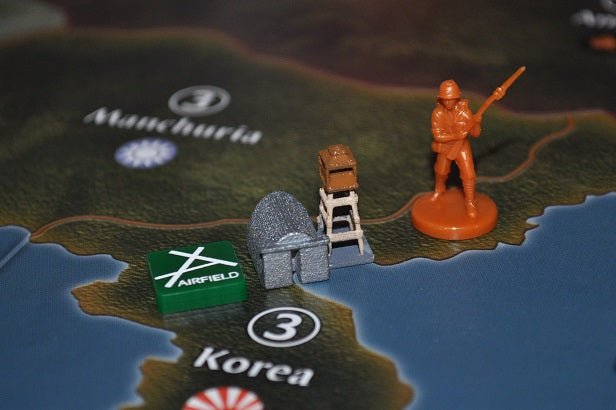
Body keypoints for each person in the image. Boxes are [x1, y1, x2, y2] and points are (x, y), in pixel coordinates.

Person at [430, 80, 482, 217]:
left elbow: (475, 134)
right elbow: (438, 136)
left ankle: (470, 202)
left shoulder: (465, 112)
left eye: (452, 99)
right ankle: (439, 190)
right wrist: (456, 136)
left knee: (469, 175)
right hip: (445, 146)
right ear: (441, 99)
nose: (448, 102)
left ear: (457, 98)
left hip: (462, 146)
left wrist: (477, 123)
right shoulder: (437, 113)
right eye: (446, 99)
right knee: (441, 171)